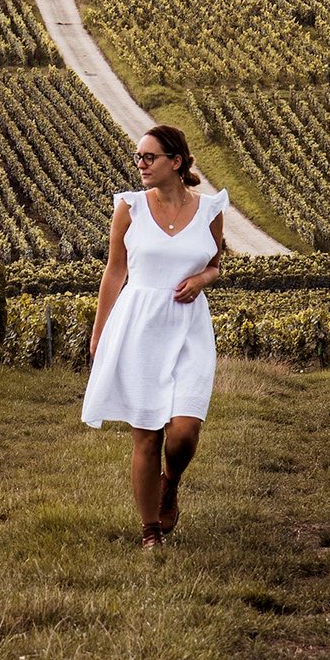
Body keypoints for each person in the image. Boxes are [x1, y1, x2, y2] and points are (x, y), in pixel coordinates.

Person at [81, 124, 228, 552]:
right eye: (139, 157)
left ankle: (171, 481)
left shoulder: (210, 210)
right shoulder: (130, 208)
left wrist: (201, 279)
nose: (141, 164)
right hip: (139, 327)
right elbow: (115, 272)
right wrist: (99, 333)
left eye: (150, 157)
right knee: (146, 436)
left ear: (176, 162)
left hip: (189, 328)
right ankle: (150, 532)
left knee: (184, 432)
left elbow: (215, 264)